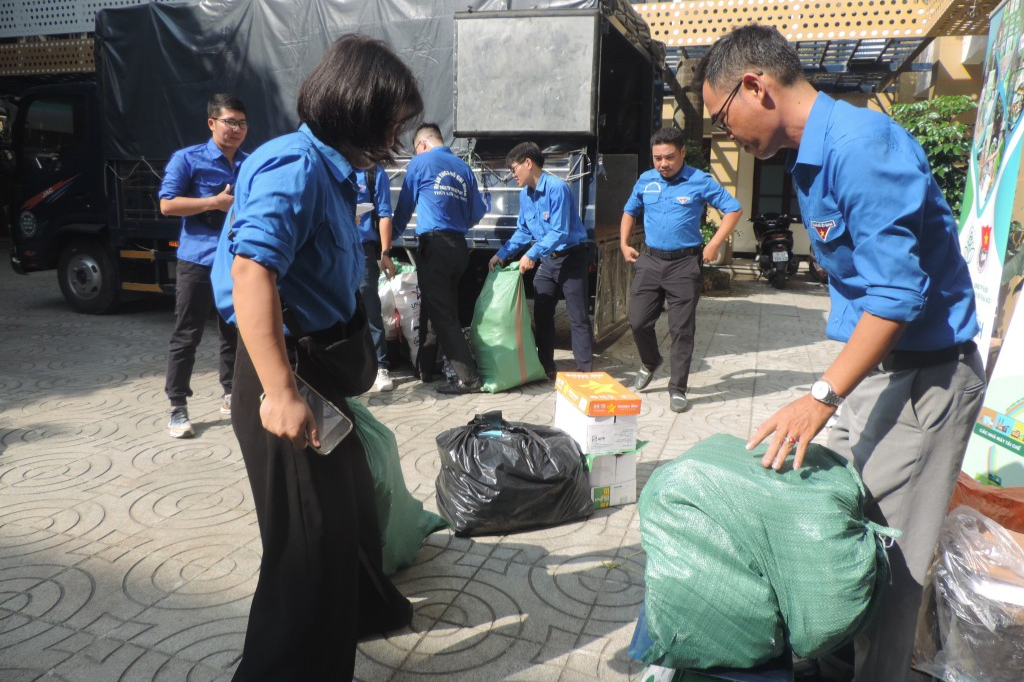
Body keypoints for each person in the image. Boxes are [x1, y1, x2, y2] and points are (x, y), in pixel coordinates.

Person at [699, 24, 985, 682]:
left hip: (926, 380)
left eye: (721, 118)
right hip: (878, 373)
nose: (724, 135)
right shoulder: (812, 157)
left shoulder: (860, 146)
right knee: (843, 527)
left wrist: (821, 397)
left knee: (890, 560)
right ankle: (827, 667)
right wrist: (844, 389)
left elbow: (896, 294)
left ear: (755, 87)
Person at [210, 35, 423, 681]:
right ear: (360, 109)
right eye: (393, 119)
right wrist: (279, 392)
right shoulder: (295, 165)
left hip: (321, 372)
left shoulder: (336, 169)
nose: (398, 131)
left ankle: (362, 608)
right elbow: (250, 272)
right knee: (308, 541)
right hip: (286, 376)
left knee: (351, 501)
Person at [620, 127, 742, 413]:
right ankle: (650, 362)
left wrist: (713, 245)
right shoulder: (646, 180)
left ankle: (678, 388)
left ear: (683, 153)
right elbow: (629, 210)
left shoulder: (700, 181)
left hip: (685, 264)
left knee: (681, 330)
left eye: (670, 157)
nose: (663, 163)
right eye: (657, 158)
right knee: (637, 321)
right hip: (649, 260)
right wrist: (625, 244)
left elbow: (733, 209)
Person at [159, 93, 248, 438]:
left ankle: (231, 393)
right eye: (229, 122)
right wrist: (214, 202)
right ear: (212, 123)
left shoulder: (250, 162)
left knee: (234, 332)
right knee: (187, 334)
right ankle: (177, 406)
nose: (236, 129)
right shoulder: (188, 159)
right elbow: (167, 205)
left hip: (235, 260)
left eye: (241, 123)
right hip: (196, 260)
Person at [393, 123, 487, 394]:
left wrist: (386, 242)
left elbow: (404, 208)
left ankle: (468, 378)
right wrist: (458, 221)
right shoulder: (463, 168)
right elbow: (477, 212)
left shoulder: (421, 163)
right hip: (459, 249)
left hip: (435, 247)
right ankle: (426, 368)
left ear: (421, 145)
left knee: (444, 314)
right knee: (435, 308)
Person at [487, 141, 593, 378]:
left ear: (528, 163)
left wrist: (531, 254)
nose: (512, 175)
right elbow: (524, 231)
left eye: (514, 169)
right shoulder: (526, 195)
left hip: (572, 257)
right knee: (542, 314)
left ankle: (585, 371)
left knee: (578, 317)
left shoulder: (557, 188)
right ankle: (546, 367)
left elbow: (560, 231)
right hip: (549, 260)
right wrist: (502, 254)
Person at [356, 164, 396, 392]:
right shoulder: (328, 165)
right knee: (337, 306)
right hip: (332, 246)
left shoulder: (373, 172)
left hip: (362, 249)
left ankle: (380, 366)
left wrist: (385, 253)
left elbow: (384, 214)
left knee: (369, 303)